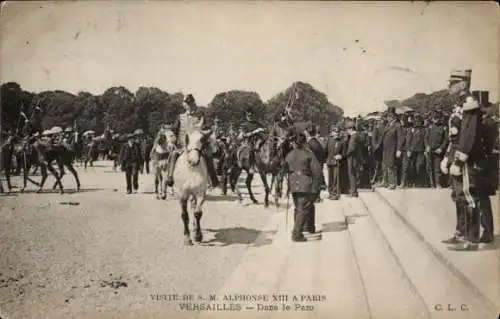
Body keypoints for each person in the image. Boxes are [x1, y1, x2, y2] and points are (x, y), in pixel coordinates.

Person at [166, 93, 219, 188]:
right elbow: (174, 130)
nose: (189, 105)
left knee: (208, 155)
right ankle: (170, 177)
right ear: (184, 105)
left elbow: (208, 128)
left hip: (196, 145)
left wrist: (204, 133)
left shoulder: (199, 117)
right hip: (182, 145)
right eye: (187, 103)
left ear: (193, 104)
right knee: (173, 155)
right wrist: (171, 139)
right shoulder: (180, 117)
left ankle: (213, 179)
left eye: (190, 103)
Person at [284, 132, 323, 242]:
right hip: (305, 183)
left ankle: (307, 227)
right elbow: (317, 172)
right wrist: (316, 187)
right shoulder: (308, 154)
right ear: (304, 143)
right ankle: (297, 234)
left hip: (293, 183)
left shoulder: (289, 154)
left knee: (298, 207)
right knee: (303, 208)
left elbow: (285, 169)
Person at [239, 108, 266, 173]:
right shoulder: (244, 125)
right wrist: (255, 131)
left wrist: (263, 129)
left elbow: (264, 129)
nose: (250, 117)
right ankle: (251, 166)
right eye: (248, 116)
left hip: (260, 139)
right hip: (250, 140)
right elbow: (245, 135)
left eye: (251, 115)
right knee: (251, 150)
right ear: (246, 116)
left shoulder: (257, 123)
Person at [325, 125, 344, 200]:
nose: (337, 133)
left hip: (337, 163)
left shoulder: (341, 142)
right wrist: (325, 159)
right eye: (335, 132)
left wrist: (341, 156)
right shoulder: (329, 140)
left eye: (338, 132)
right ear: (332, 132)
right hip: (329, 161)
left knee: (336, 179)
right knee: (330, 178)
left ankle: (335, 193)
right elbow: (325, 150)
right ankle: (330, 193)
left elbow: (344, 153)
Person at [345, 121, 363, 197]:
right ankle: (354, 191)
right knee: (354, 174)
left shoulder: (353, 136)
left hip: (352, 158)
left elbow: (351, 149)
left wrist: (345, 154)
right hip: (357, 158)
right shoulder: (358, 135)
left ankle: (353, 192)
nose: (347, 131)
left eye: (348, 129)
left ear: (351, 129)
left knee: (351, 174)